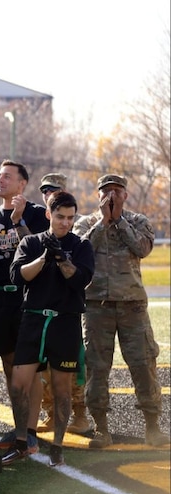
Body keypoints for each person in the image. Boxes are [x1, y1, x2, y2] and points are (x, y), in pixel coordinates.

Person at [74, 174, 170, 448]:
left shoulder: (138, 221)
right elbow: (81, 249)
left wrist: (119, 221)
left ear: (126, 195)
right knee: (97, 367)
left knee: (143, 364)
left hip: (132, 306)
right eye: (106, 192)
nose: (112, 196)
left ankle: (152, 427)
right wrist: (104, 222)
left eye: (117, 191)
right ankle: (101, 429)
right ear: (98, 196)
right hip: (96, 307)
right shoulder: (87, 223)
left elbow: (142, 248)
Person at [0, 190, 94, 467]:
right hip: (33, 319)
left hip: (66, 322)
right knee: (18, 385)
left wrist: (63, 260)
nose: (65, 223)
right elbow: (18, 276)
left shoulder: (81, 245)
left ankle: (57, 445)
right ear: (48, 215)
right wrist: (43, 258)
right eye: (60, 217)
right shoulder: (31, 242)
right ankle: (21, 441)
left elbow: (81, 281)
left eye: (70, 218)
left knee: (62, 387)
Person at [0, 160, 49, 453]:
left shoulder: (36, 214)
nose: (0, 180)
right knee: (3, 364)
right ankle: (13, 431)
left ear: (22, 184)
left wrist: (18, 220)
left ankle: (29, 432)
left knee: (29, 368)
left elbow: (38, 252)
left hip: (25, 298)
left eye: (7, 176)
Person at [35, 174, 91, 434]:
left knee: (74, 368)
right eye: (45, 190)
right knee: (45, 368)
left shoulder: (75, 229)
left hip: (69, 310)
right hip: (44, 309)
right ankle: (51, 413)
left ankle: (80, 415)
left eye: (54, 190)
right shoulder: (38, 220)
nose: (49, 193)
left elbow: (81, 274)